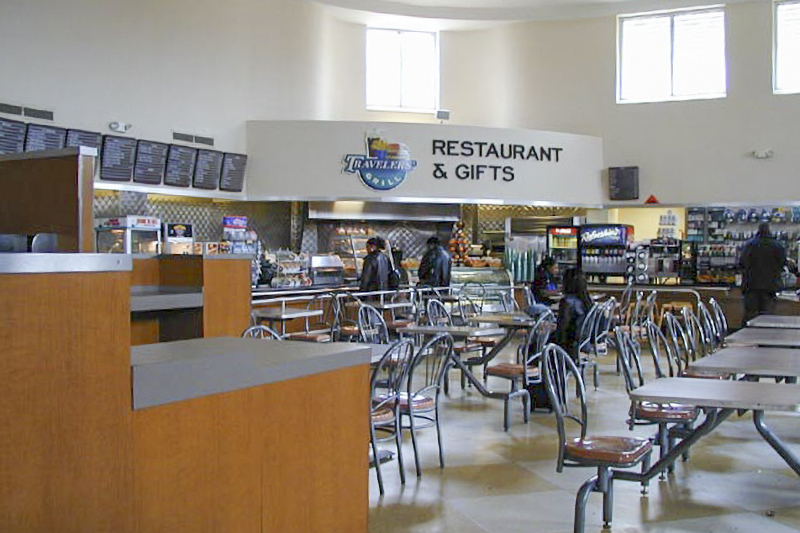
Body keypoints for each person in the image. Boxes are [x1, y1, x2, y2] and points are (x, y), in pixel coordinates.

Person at [740, 222, 793, 325]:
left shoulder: (749, 245)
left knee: (750, 315)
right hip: (770, 286)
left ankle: (746, 337)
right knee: (766, 317)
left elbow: (742, 263)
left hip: (751, 286)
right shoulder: (777, 246)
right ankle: (763, 337)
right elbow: (783, 264)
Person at [555, 268, 593, 360]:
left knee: (533, 347)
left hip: (570, 348)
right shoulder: (587, 301)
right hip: (585, 344)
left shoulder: (567, 303)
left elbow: (562, 331)